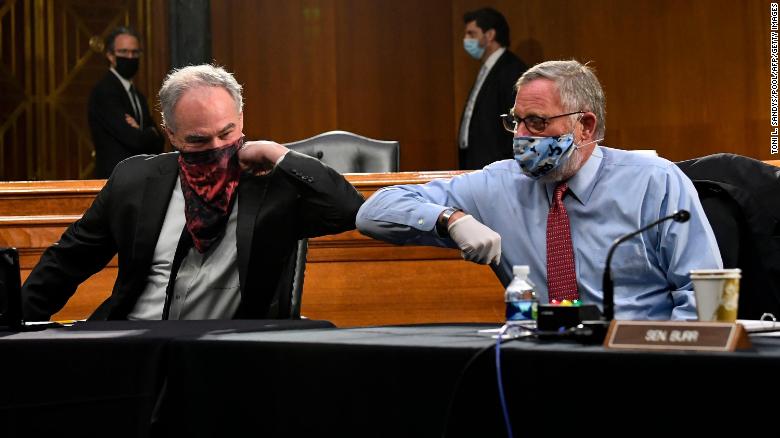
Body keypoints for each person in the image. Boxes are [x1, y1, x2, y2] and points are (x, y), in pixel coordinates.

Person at [357, 60, 722, 320]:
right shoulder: (499, 183)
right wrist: (450, 218)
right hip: (542, 367)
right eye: (515, 122)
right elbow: (372, 213)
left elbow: (706, 298)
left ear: (585, 126)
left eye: (537, 123)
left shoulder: (654, 181)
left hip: (639, 363)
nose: (520, 137)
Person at [23, 64, 364, 321]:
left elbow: (349, 209)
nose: (217, 149)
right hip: (136, 344)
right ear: (171, 134)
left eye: (226, 133)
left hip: (226, 359)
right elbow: (67, 261)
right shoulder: (135, 179)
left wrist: (279, 154)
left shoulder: (274, 185)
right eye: (199, 141)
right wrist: (13, 327)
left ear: (241, 120)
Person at [88, 26, 164, 178]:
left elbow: (160, 142)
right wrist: (149, 132)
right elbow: (134, 139)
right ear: (110, 55)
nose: (130, 57)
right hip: (114, 180)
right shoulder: (105, 92)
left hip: (139, 178)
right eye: (123, 52)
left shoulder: (138, 95)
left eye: (135, 53)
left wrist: (144, 133)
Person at [458, 7, 527, 170]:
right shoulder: (487, 68)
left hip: (498, 166)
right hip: (478, 163)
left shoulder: (511, 69)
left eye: (472, 34)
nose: (466, 39)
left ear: (489, 35)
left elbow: (515, 121)